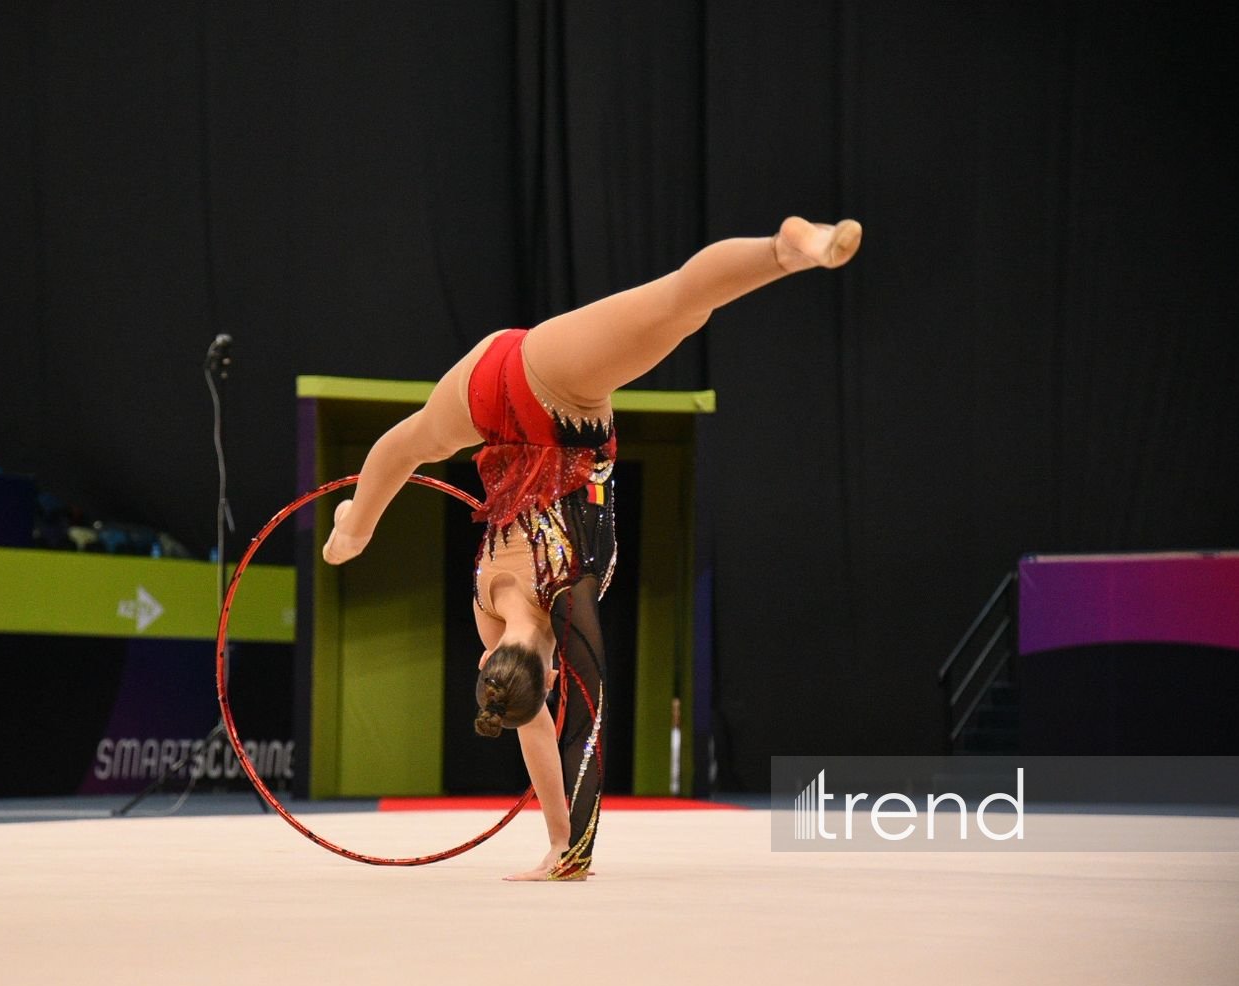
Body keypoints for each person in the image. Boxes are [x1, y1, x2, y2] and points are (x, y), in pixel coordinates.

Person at [322, 216, 863, 880]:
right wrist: (355, 530)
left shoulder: (571, 603)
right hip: (493, 391)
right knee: (409, 445)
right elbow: (531, 714)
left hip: (561, 401)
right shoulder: (486, 617)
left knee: (680, 309)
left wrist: (570, 849)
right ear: (491, 660)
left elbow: (578, 732)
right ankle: (353, 529)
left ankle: (785, 252)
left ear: (551, 677)